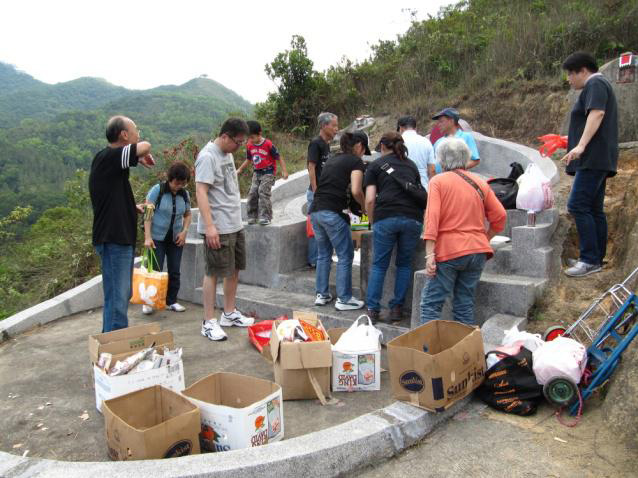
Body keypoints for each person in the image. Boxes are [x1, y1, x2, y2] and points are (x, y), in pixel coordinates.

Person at [420, 138, 506, 325]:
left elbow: (432, 219)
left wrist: (429, 254)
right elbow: (500, 216)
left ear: (441, 159)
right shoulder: (480, 182)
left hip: (449, 251)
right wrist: (485, 237)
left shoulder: (438, 181)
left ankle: (427, 353)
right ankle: (464, 352)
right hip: (477, 251)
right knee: (464, 305)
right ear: (466, 158)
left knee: (431, 305)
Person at [89, 116, 155, 332]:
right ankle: (115, 351)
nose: (138, 134)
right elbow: (145, 146)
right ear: (124, 135)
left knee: (120, 296)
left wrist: (132, 207)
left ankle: (111, 348)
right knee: (117, 299)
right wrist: (143, 152)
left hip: (118, 239)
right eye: (136, 130)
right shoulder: (109, 156)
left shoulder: (114, 167)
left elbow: (112, 199)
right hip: (113, 240)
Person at [195, 118, 254, 341]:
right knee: (213, 272)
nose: (239, 147)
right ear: (225, 136)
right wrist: (210, 227)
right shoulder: (207, 156)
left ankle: (228, 313)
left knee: (234, 269)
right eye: (237, 142)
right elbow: (201, 192)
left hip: (234, 222)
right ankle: (208, 321)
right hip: (218, 225)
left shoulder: (227, 154)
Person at [561, 51, 618, 277]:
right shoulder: (600, 85)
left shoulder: (595, 84)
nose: (568, 79)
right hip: (599, 157)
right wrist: (573, 141)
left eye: (570, 74)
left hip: (593, 158)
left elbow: (597, 114)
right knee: (594, 209)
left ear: (583, 71)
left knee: (577, 205)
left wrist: (581, 145)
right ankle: (595, 258)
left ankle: (589, 260)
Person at [364, 132, 425, 323]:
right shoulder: (411, 165)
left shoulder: (375, 166)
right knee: (404, 264)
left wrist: (373, 222)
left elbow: (370, 199)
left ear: (382, 146)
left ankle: (373, 310)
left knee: (379, 265)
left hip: (386, 217)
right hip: (413, 219)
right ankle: (397, 308)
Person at [310, 131, 368, 311]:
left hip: (316, 211)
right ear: (358, 146)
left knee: (323, 253)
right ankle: (344, 298)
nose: (362, 153)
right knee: (345, 255)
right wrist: (365, 207)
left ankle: (322, 294)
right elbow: (357, 190)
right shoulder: (355, 161)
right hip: (332, 212)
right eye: (363, 149)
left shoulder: (332, 159)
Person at [142, 161, 193, 315]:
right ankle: (149, 302)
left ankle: (171, 301)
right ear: (170, 179)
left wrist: (184, 231)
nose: (179, 186)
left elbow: (188, 214)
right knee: (154, 270)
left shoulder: (185, 194)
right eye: (177, 182)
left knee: (174, 270)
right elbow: (148, 214)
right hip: (156, 238)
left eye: (183, 183)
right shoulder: (157, 191)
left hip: (175, 238)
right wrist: (147, 237)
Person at [237, 120, 288, 225]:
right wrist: (240, 169)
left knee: (263, 192)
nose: (250, 140)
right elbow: (248, 159)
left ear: (259, 133)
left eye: (252, 137)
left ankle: (265, 216)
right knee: (252, 193)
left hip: (268, 172)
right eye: (248, 138)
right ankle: (252, 216)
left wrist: (284, 171)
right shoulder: (249, 145)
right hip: (257, 172)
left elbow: (279, 157)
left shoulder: (268, 144)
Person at [307, 112, 339, 267]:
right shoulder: (316, 143)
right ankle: (314, 260)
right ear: (324, 126)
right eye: (333, 125)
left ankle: (324, 257)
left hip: (324, 193)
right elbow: (311, 167)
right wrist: (315, 190)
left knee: (324, 228)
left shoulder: (326, 144)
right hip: (316, 193)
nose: (336, 129)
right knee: (315, 228)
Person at [396, 116, 435, 190]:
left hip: (403, 187)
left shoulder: (398, 142)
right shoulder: (426, 141)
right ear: (415, 128)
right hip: (423, 187)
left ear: (400, 128)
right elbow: (432, 170)